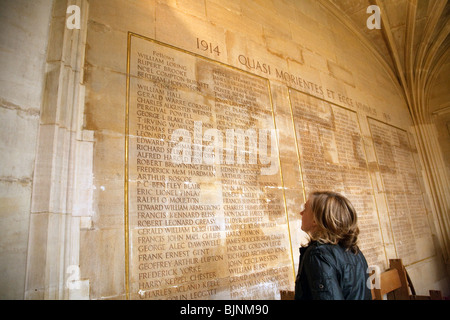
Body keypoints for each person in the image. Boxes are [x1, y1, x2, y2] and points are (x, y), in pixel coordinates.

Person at [294, 191, 372, 300]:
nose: (301, 213)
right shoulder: (354, 251)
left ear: (315, 220)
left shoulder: (318, 254)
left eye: (306, 209)